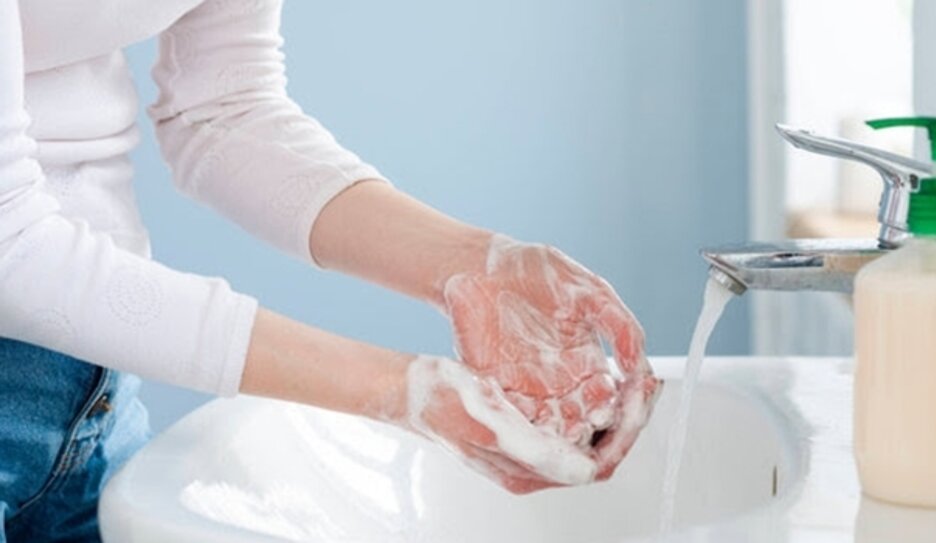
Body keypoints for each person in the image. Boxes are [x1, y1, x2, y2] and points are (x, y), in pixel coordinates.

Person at [0, 0, 660, 540]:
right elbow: (12, 248)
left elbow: (223, 108)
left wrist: (473, 266)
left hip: (91, 393)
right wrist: (405, 391)